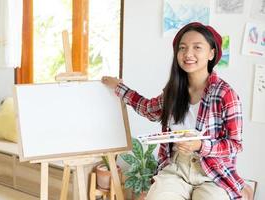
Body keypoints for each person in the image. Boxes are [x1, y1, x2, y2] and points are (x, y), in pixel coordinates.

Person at [101, 22, 244, 200]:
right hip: (176, 168)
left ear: (211, 53)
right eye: (182, 48)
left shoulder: (225, 94)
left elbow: (235, 145)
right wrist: (119, 88)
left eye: (197, 47)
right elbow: (148, 109)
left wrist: (200, 146)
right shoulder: (174, 90)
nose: (188, 54)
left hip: (213, 173)